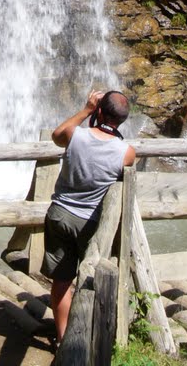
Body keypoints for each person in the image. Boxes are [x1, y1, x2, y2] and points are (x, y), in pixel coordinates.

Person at [43, 89, 136, 343]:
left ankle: (63, 339)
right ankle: (86, 338)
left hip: (60, 215)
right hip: (93, 224)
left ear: (99, 111)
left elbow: (56, 136)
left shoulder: (76, 136)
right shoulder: (126, 152)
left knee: (62, 281)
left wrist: (85, 109)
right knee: (90, 279)